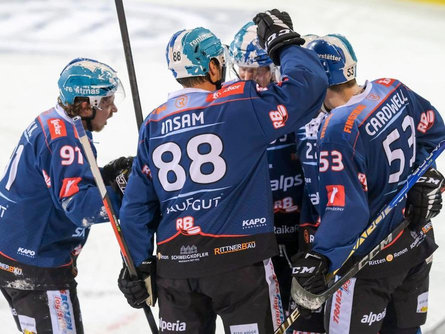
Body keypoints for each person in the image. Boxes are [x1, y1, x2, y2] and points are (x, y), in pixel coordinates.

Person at [117, 9, 328, 333]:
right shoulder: (237, 104)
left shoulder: (154, 123)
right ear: (214, 66)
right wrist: (283, 42)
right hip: (240, 265)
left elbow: (135, 208)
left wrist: (137, 264)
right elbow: (308, 87)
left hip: (176, 270)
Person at [291, 34, 445, 334]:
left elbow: (347, 211)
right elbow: (435, 132)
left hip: (367, 265)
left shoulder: (337, 129)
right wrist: (424, 176)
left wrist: (322, 256)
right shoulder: (392, 89)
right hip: (413, 244)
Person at [0, 58, 131, 333]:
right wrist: (121, 190)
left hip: (17, 253)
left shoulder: (55, 121)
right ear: (85, 105)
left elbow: (61, 185)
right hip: (36, 263)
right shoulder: (65, 139)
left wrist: (105, 176)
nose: (113, 109)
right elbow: (80, 208)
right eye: (106, 101)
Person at [229, 21, 305, 321]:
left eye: (257, 70)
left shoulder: (300, 101)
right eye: (241, 69)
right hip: (255, 238)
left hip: (302, 231)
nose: (248, 78)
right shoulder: (226, 105)